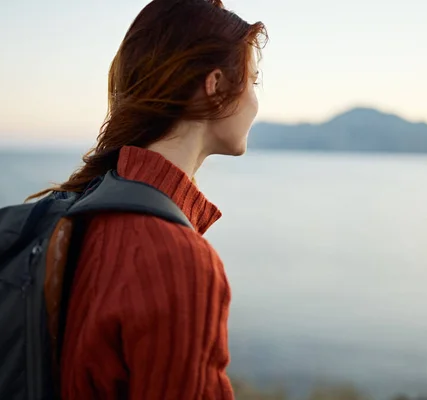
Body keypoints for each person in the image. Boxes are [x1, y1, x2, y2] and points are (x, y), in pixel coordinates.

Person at [28, 0, 267, 399]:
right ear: (215, 87)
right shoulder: (177, 258)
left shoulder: (85, 208)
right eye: (254, 82)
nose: (257, 102)